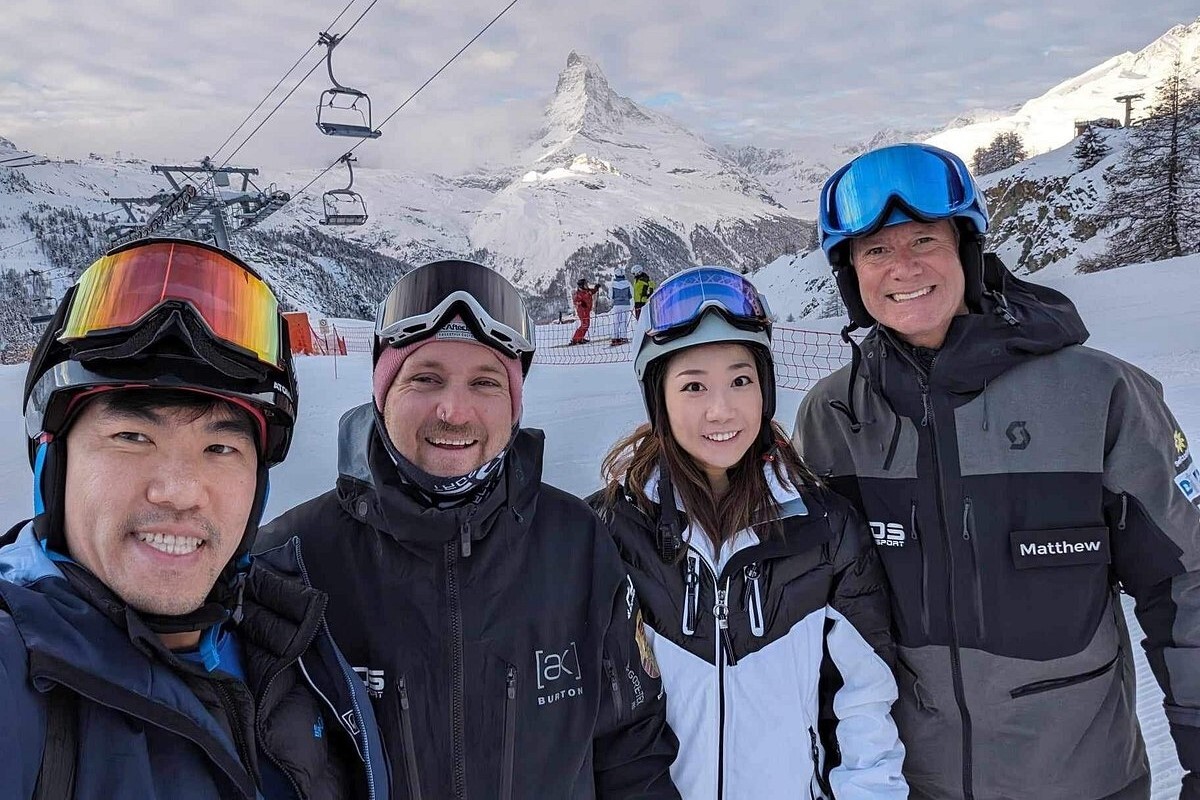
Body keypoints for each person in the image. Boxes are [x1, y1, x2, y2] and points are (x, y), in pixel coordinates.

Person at [793, 142, 1200, 800]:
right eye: (875, 250)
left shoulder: (1098, 394)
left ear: (967, 250)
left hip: (1082, 782)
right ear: (852, 275)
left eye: (924, 240)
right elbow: (809, 612)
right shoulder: (834, 417)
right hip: (905, 784)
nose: (902, 267)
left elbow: (1185, 585)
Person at [258, 258, 680, 799]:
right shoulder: (290, 564)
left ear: (514, 404)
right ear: (383, 392)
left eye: (485, 382)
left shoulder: (577, 545)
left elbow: (632, 751)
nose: (454, 411)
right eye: (426, 378)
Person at [0, 238, 387, 799]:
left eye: (220, 448)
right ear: (52, 461)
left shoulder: (292, 643)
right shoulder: (19, 667)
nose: (180, 493)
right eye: (132, 437)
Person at [590, 266, 906, 799]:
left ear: (766, 390)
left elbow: (864, 706)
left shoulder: (824, 531)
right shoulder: (609, 533)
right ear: (659, 400)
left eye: (741, 380)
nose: (722, 410)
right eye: (693, 386)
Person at [571, 277, 599, 345]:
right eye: (585, 284)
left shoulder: (587, 291)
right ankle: (575, 339)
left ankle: (580, 338)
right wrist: (581, 303)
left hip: (586, 310)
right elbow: (575, 301)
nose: (587, 285)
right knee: (584, 325)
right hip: (582, 311)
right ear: (581, 286)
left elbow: (592, 292)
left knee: (586, 325)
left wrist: (596, 288)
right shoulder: (579, 293)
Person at [610, 271, 634, 345]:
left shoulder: (613, 284)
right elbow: (632, 294)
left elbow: (610, 295)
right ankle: (623, 337)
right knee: (624, 321)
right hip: (626, 305)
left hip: (616, 305)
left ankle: (615, 338)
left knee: (616, 321)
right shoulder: (628, 283)